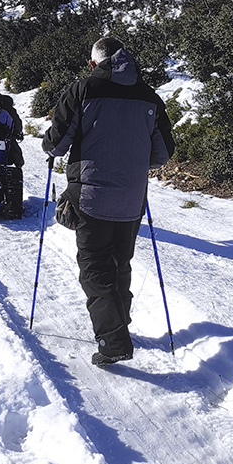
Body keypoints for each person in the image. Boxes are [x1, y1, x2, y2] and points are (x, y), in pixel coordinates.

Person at [42, 37, 175, 366]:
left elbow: (57, 145)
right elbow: (163, 153)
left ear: (93, 64)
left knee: (94, 269)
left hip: (91, 195)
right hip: (131, 199)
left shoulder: (83, 90)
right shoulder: (149, 96)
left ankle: (114, 340)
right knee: (120, 263)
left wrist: (49, 146)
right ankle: (120, 324)